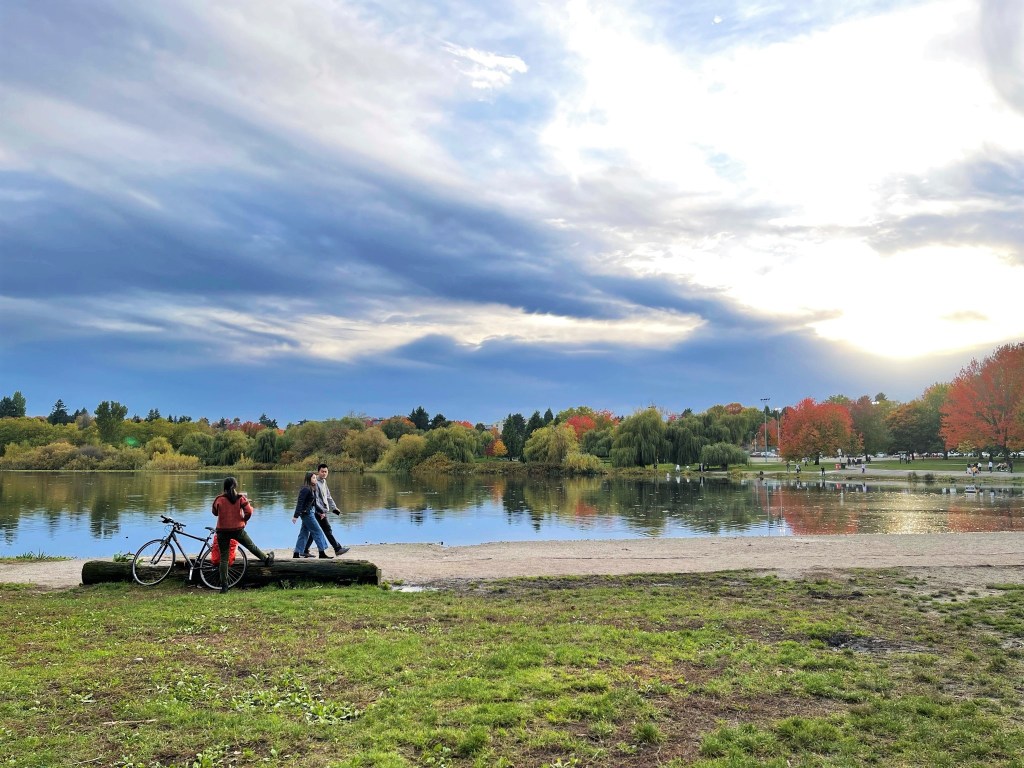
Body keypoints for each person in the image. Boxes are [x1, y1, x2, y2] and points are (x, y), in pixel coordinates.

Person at [211, 476, 274, 593]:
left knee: (224, 558)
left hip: (222, 531)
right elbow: (249, 511)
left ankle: (224, 586)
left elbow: (214, 513)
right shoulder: (240, 498)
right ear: (235, 486)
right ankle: (265, 559)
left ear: (224, 487)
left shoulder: (219, 499)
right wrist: (244, 520)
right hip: (237, 529)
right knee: (251, 546)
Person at [300, 463, 349, 557]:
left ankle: (304, 550)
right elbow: (315, 500)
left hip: (322, 511)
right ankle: (337, 548)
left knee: (314, 531)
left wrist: (334, 507)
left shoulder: (324, 482)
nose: (324, 473)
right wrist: (320, 512)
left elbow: (328, 496)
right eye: (322, 471)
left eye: (326, 472)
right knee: (327, 529)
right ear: (318, 472)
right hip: (317, 511)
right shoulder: (315, 483)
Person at [293, 471, 332, 558]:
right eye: (313, 478)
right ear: (309, 479)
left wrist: (320, 512)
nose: (315, 479)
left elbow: (314, 503)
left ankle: (296, 553)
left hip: (310, 513)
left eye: (315, 477)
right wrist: (295, 516)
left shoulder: (312, 488)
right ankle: (322, 553)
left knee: (303, 533)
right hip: (307, 515)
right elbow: (300, 503)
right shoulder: (305, 489)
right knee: (317, 531)